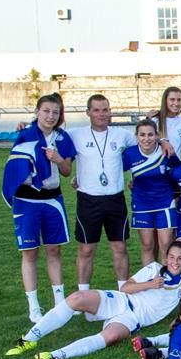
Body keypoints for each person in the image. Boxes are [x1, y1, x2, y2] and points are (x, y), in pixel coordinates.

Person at [8, 241, 181, 359]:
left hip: (134, 318)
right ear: (166, 258)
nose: (175, 262)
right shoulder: (154, 268)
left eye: (180, 258)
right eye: (171, 257)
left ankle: (55, 356)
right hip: (121, 300)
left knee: (111, 337)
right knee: (76, 298)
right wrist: (149, 284)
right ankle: (28, 340)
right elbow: (126, 287)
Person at [2, 93, 77, 322]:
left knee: (54, 250)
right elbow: (15, 166)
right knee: (30, 252)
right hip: (27, 200)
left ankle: (59, 303)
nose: (50, 116)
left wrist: (58, 159)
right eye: (46, 111)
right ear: (37, 112)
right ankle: (34, 307)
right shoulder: (25, 134)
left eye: (55, 112)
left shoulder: (63, 138)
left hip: (53, 200)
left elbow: (67, 172)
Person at [68, 94, 137, 291]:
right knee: (86, 249)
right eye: (96, 110)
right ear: (88, 112)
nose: (101, 114)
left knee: (119, 247)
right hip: (88, 200)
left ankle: (123, 292)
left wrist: (136, 176)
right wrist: (28, 125)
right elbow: (49, 132)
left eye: (105, 110)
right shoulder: (75, 134)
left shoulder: (122, 135)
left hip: (115, 199)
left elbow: (145, 145)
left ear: (110, 112)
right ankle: (83, 294)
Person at [122, 119, 181, 265]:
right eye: (142, 135)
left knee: (166, 244)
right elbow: (114, 171)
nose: (146, 139)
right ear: (136, 136)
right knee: (147, 245)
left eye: (150, 134)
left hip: (165, 203)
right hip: (142, 204)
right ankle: (150, 278)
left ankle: (167, 277)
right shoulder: (130, 154)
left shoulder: (166, 151)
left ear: (156, 135)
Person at [155, 87, 181, 162]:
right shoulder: (155, 121)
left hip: (175, 166)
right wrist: (162, 141)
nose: (176, 103)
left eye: (179, 100)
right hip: (158, 166)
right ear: (165, 101)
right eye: (172, 99)